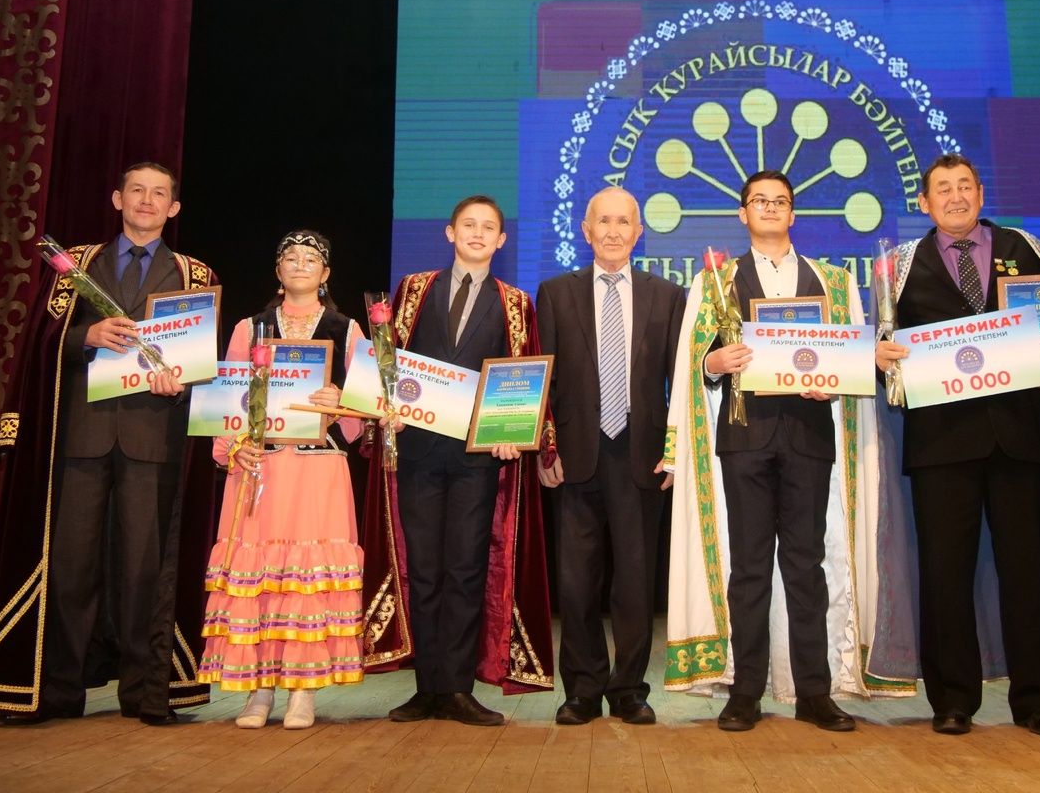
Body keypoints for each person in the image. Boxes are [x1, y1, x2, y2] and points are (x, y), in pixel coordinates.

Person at [0, 162, 217, 723]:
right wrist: (85, 336)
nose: (147, 200)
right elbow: (39, 341)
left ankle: (146, 693)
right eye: (137, 191)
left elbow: (204, 362)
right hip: (79, 438)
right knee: (70, 567)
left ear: (174, 208)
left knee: (144, 571)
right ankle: (56, 690)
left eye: (159, 193)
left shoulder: (194, 273)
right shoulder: (73, 265)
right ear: (117, 198)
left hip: (154, 441)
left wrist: (182, 383)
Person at [874, 153, 1040, 739]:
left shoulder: (1025, 247)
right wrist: (880, 353)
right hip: (940, 442)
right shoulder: (899, 265)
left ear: (981, 193)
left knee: (1026, 574)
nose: (955, 197)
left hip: (1018, 436)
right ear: (924, 202)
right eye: (943, 188)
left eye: (965, 186)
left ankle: (1038, 702)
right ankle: (952, 701)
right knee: (945, 576)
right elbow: (883, 337)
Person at [668, 170, 873, 733]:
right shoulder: (715, 281)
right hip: (745, 439)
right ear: (743, 213)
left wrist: (835, 380)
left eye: (780, 201)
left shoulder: (833, 281)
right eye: (760, 200)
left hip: (809, 437)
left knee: (806, 567)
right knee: (750, 569)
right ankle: (745, 692)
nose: (771, 208)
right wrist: (715, 363)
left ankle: (814, 693)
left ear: (793, 213)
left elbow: (851, 356)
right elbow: (694, 359)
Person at [360, 195, 553, 725]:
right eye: (468, 224)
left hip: (478, 458)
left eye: (488, 227)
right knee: (424, 571)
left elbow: (523, 372)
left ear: (501, 241)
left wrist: (518, 434)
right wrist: (385, 406)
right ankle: (427, 688)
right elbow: (388, 358)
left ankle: (458, 688)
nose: (477, 233)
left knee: (467, 570)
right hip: (419, 451)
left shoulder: (515, 303)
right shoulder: (413, 289)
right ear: (450, 232)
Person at [199, 230, 365, 729]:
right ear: (277, 271)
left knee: (305, 580)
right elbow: (227, 395)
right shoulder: (250, 328)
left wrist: (343, 402)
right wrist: (233, 449)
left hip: (318, 468)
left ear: (325, 273)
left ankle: (303, 690)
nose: (299, 264)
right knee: (261, 579)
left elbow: (367, 408)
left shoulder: (347, 329)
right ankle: (258, 691)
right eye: (289, 257)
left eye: (310, 258)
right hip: (262, 464)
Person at [536, 187, 686, 726]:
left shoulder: (668, 295)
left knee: (635, 584)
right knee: (576, 584)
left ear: (639, 231)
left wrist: (675, 453)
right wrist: (545, 446)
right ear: (586, 230)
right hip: (576, 455)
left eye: (624, 222)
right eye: (604, 221)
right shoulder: (555, 293)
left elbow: (681, 384)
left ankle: (629, 690)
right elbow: (543, 379)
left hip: (642, 456)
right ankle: (582, 690)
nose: (614, 231)